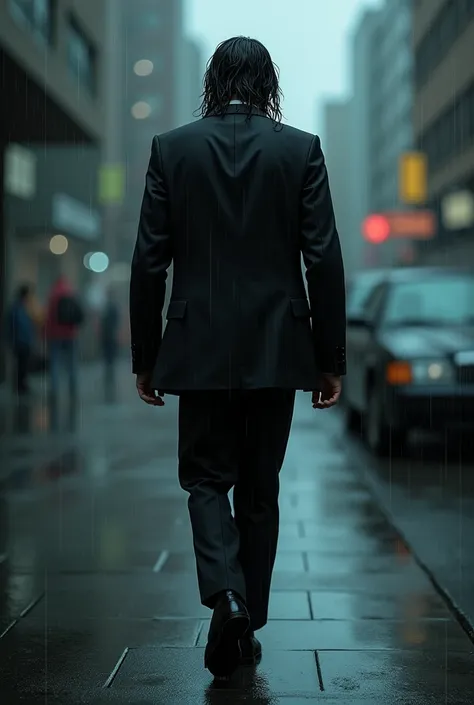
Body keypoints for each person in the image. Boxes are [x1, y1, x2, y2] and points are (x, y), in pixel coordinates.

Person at [129, 36, 346, 679]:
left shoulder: (172, 149)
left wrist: (147, 355)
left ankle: (225, 597)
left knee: (203, 480)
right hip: (278, 346)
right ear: (267, 82)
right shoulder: (299, 149)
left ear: (213, 79)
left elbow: (148, 260)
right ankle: (246, 616)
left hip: (196, 350)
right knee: (260, 487)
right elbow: (324, 258)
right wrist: (327, 357)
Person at [44, 276, 84, 401]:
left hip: (55, 335)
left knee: (55, 363)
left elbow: (49, 317)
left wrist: (46, 333)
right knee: (71, 363)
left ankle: (54, 389)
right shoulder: (71, 293)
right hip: (70, 334)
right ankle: (73, 388)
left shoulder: (53, 295)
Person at [7, 284, 35, 395]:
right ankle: (19, 386)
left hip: (24, 341)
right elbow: (14, 326)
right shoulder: (17, 308)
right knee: (20, 364)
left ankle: (22, 384)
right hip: (20, 341)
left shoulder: (25, 307)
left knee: (23, 364)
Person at [100, 288, 120, 400]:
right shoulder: (112, 307)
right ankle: (109, 368)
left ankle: (109, 369)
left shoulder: (108, 307)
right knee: (109, 354)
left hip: (108, 335)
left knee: (109, 354)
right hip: (110, 335)